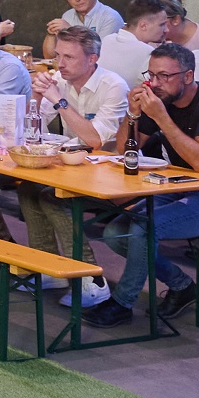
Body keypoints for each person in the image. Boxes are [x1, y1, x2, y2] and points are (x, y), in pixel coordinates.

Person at [92, 44, 199, 328]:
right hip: (185, 187)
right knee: (115, 233)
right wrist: (132, 115)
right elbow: (125, 153)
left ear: (187, 76)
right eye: (151, 75)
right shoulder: (160, 99)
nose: (155, 84)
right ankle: (183, 286)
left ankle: (122, 303)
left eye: (164, 76)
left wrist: (161, 117)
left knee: (145, 227)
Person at [17, 27, 128, 308]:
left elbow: (93, 140)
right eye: (57, 56)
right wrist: (37, 96)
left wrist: (58, 100)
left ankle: (91, 279)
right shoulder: (59, 79)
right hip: (72, 165)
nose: (60, 64)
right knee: (28, 189)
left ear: (93, 59)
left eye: (69, 57)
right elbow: (33, 128)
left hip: (111, 171)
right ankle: (49, 267)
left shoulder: (113, 86)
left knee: (51, 196)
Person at [98, 0, 171, 87]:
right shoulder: (148, 52)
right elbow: (160, 88)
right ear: (143, 26)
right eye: (162, 25)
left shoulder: (107, 39)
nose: (166, 30)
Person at [48, 0, 124, 54]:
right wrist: (51, 34)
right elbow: (53, 55)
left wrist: (71, 31)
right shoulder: (67, 16)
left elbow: (97, 54)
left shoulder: (110, 17)